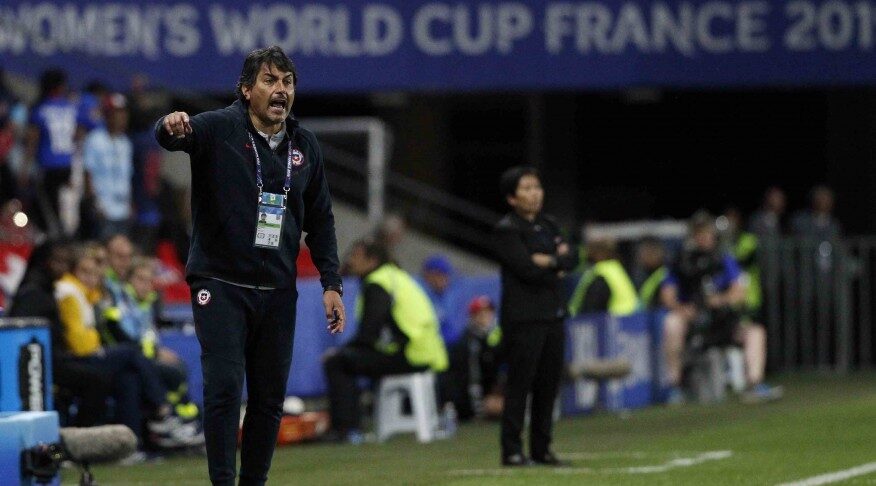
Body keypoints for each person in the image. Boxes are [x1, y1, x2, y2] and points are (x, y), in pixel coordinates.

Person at [154, 45, 345, 485]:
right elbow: (172, 137)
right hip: (220, 282)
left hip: (278, 289)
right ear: (246, 90)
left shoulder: (305, 145)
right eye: (269, 81)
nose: (280, 90)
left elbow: (321, 219)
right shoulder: (219, 128)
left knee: (268, 400)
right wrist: (168, 125)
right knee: (223, 390)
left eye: (287, 82)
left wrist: (331, 281)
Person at [322, 238, 448, 442]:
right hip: (427, 353)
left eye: (355, 256)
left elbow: (369, 333)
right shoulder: (395, 275)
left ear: (372, 260)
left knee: (337, 362)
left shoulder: (378, 283)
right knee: (349, 359)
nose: (350, 261)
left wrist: (341, 351)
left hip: (410, 354)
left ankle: (345, 431)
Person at [493, 166, 578, 467]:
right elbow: (525, 269)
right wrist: (556, 263)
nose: (534, 193)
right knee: (520, 385)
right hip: (524, 318)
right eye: (526, 188)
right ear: (512, 198)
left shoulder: (550, 224)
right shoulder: (506, 229)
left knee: (548, 386)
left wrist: (549, 261)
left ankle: (542, 449)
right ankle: (512, 450)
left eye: (537, 187)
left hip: (553, 314)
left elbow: (572, 258)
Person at [661, 213, 782, 405]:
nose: (703, 238)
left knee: (755, 332)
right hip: (694, 322)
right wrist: (682, 308)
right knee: (672, 323)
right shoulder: (681, 261)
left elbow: (739, 291)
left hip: (721, 322)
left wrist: (719, 300)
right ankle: (674, 388)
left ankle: (755, 384)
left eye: (706, 233)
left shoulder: (723, 259)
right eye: (698, 233)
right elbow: (667, 294)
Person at [82, 93, 134, 238]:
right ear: (108, 115)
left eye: (124, 112)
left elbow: (127, 176)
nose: (122, 117)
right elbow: (88, 173)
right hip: (103, 209)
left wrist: (130, 204)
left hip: (122, 211)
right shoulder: (95, 139)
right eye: (117, 113)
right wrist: (94, 204)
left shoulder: (126, 143)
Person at [447, 295, 504, 421]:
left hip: (494, 392)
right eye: (480, 313)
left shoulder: (497, 336)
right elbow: (471, 379)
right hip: (472, 399)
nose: (485, 317)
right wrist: (478, 409)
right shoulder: (468, 342)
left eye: (488, 312)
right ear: (473, 317)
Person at [568, 237, 638, 317]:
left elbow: (593, 308)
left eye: (591, 250)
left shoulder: (601, 274)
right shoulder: (616, 269)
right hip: (628, 322)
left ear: (600, 253)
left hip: (610, 325)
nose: (587, 253)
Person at [420, 254, 459, 344]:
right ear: (429, 275)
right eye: (440, 275)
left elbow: (447, 328)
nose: (445, 280)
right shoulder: (420, 291)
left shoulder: (442, 298)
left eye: (446, 276)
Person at [636, 237, 670, 310]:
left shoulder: (665, 274)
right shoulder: (643, 273)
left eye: (645, 254)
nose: (642, 258)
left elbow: (668, 299)